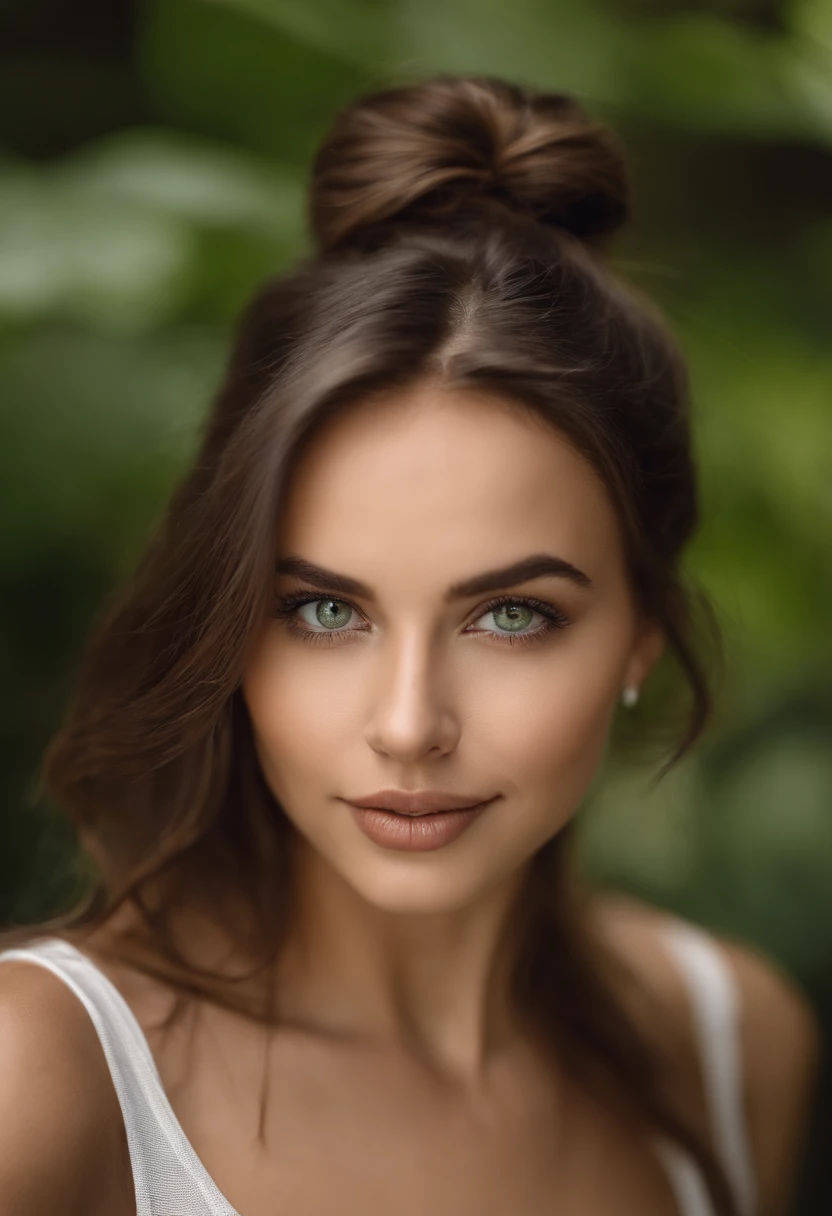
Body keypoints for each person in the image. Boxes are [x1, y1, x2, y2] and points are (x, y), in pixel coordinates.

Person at [0, 74, 820, 1216]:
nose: (406, 724)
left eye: (510, 615)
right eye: (324, 611)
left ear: (639, 636)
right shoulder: (43, 1075)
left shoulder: (728, 1046)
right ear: (229, 623)